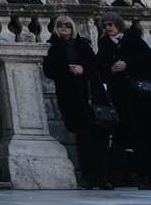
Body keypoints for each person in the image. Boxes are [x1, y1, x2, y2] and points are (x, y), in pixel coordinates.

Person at [95, 11, 151, 189]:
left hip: (139, 96)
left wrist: (127, 64)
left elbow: (150, 62)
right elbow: (99, 69)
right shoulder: (104, 43)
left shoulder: (133, 39)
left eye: (110, 24)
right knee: (124, 136)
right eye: (105, 25)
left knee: (145, 134)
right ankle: (130, 175)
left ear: (118, 24)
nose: (108, 28)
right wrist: (110, 70)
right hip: (119, 96)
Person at [43, 16, 111, 189]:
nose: (63, 28)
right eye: (60, 25)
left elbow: (95, 66)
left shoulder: (83, 45)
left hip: (90, 95)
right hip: (70, 96)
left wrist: (83, 68)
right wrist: (67, 69)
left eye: (67, 25)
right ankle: (88, 176)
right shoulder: (53, 47)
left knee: (99, 137)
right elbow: (49, 70)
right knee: (83, 137)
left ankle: (102, 176)